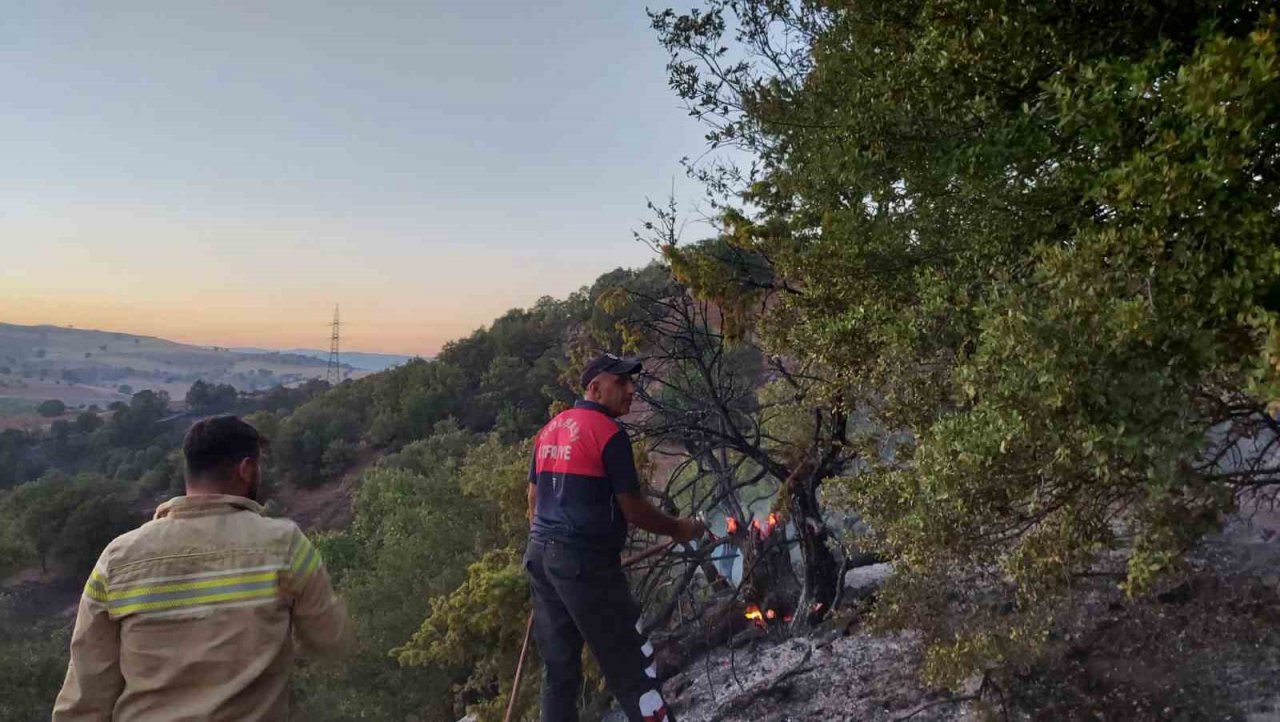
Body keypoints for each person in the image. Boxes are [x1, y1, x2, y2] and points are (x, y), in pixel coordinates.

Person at [53, 415, 351, 721]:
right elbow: (332, 641)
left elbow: (85, 697)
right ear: (246, 470)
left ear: (190, 470)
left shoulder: (117, 559)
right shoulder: (285, 545)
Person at [525, 353, 707, 722]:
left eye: (631, 382)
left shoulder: (550, 429)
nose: (631, 390)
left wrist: (551, 556)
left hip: (541, 557)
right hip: (582, 563)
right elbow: (634, 509)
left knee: (559, 671)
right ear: (595, 388)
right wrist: (680, 528)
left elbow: (532, 501)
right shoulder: (608, 433)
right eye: (621, 383)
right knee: (632, 662)